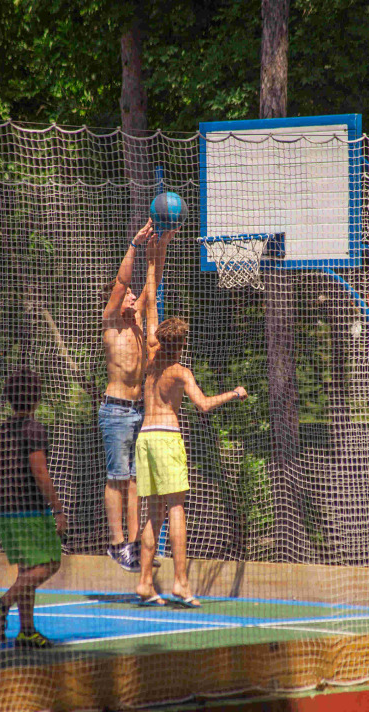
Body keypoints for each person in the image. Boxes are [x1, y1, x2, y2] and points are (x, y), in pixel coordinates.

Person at [135, 238, 248, 607]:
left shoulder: (152, 355)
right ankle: (181, 583)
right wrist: (233, 393)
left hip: (144, 437)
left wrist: (153, 260)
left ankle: (144, 582)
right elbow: (201, 405)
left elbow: (150, 301)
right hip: (166, 437)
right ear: (181, 343)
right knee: (176, 510)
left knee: (152, 513)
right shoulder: (180, 372)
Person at [99, 219, 177, 573]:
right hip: (115, 410)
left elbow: (153, 280)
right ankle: (116, 544)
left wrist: (163, 243)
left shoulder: (136, 322)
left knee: (134, 481)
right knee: (117, 477)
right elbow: (123, 282)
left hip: (137, 411)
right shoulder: (112, 320)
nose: (133, 296)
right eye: (128, 295)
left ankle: (132, 544)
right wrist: (134, 244)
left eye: (133, 296)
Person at [0, 369, 67, 649]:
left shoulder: (3, 429)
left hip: (5, 510)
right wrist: (57, 509)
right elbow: (40, 471)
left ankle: (27, 631)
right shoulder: (34, 428)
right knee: (50, 563)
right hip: (28, 510)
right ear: (36, 397)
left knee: (26, 570)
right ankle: (1, 605)